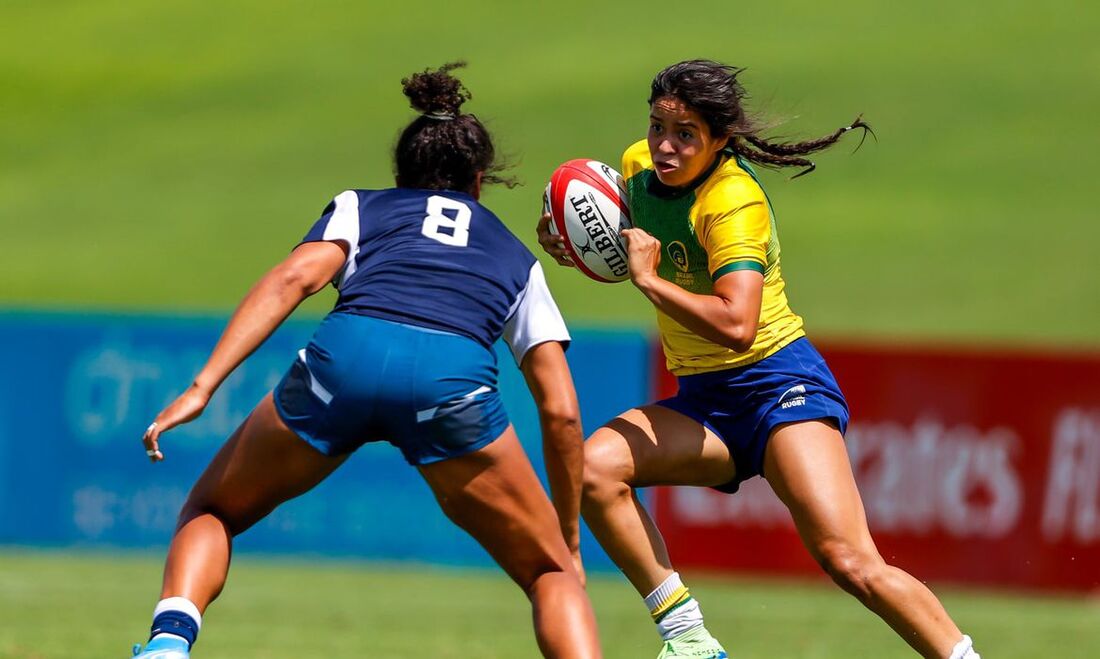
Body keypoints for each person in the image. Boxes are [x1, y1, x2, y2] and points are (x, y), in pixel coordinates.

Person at [131, 62, 601, 659]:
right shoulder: (516, 257)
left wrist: (202, 388)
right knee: (549, 575)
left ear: (400, 174)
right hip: (450, 384)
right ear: (479, 182)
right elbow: (560, 412)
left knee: (212, 509)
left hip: (345, 360)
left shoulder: (362, 207)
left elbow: (294, 279)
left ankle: (169, 646)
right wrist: (567, 540)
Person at [537, 59, 980, 659]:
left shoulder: (734, 200)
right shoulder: (637, 169)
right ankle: (688, 638)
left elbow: (738, 325)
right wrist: (582, 249)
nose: (665, 146)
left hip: (778, 387)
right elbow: (649, 252)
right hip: (705, 401)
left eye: (686, 134)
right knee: (593, 470)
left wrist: (645, 281)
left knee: (849, 560)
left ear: (720, 140)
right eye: (657, 126)